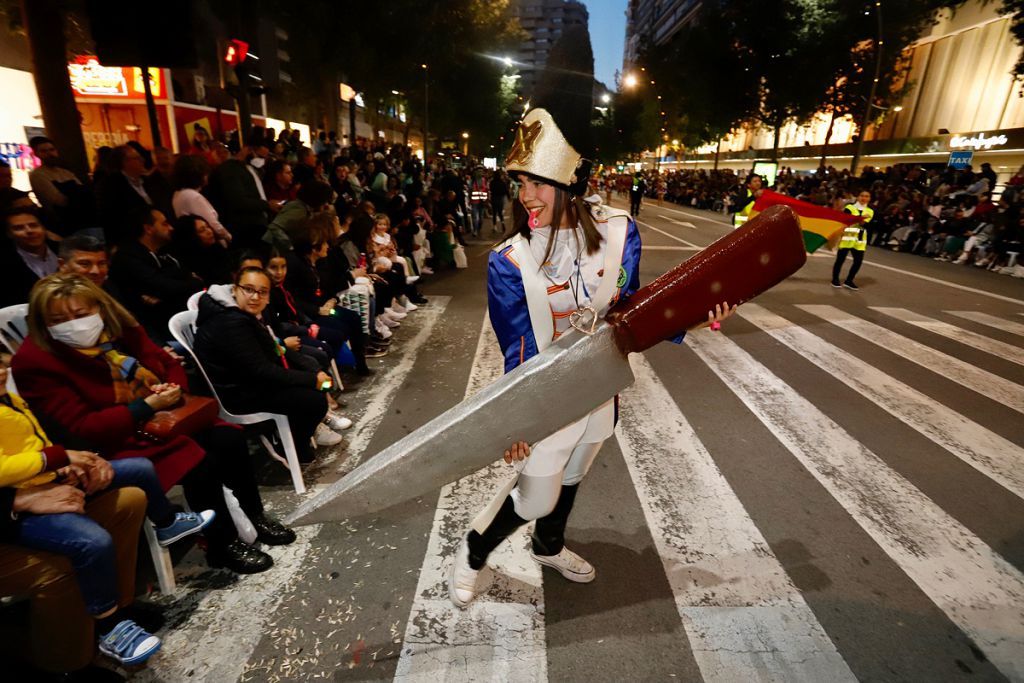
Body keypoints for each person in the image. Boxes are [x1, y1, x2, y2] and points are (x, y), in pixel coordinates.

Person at [448, 105, 735, 608]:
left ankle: (548, 545)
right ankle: (474, 548)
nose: (526, 195)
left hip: (599, 385)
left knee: (578, 469)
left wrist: (696, 314)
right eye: (520, 182)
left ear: (568, 183)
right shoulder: (508, 260)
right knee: (537, 494)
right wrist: (515, 420)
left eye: (538, 182)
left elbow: (632, 309)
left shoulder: (620, 233)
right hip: (547, 392)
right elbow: (517, 349)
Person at [12, 274, 290, 574]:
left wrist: (172, 388)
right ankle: (221, 544)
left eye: (81, 314)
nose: (73, 324)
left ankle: (255, 514)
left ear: (99, 308)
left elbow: (165, 362)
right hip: (107, 441)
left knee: (230, 440)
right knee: (200, 464)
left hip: (157, 418)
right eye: (58, 319)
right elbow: (81, 427)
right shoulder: (35, 360)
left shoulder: (118, 327)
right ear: (42, 323)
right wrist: (145, 406)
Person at [0, 358, 213, 667]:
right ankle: (91, 643)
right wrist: (19, 500)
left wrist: (83, 460)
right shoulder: (33, 368)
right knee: (85, 545)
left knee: (131, 493)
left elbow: (52, 431)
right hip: (15, 512)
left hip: (43, 480)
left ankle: (122, 604)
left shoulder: (11, 398)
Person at [193, 267, 333, 462]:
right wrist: (312, 379)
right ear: (235, 289)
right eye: (248, 289)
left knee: (315, 367)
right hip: (238, 394)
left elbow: (276, 350)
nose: (255, 297)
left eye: (262, 292)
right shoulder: (230, 322)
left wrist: (314, 372)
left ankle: (292, 436)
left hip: (251, 381)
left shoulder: (243, 314)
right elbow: (260, 370)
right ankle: (292, 445)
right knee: (315, 400)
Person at [109, 207, 204, 344]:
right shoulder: (128, 256)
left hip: (178, 314)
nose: (171, 228)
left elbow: (177, 279)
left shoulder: (165, 251)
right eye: (164, 224)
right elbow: (165, 286)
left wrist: (168, 289)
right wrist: (193, 283)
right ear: (148, 229)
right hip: (156, 329)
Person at [205, 141, 271, 249]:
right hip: (245, 229)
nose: (255, 156)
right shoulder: (229, 170)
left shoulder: (245, 167)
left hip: (256, 225)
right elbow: (239, 201)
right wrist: (266, 205)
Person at [27, 136, 94, 235]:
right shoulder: (38, 175)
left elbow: (84, 192)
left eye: (51, 150)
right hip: (63, 224)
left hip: (83, 220)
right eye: (44, 151)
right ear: (36, 154)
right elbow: (59, 201)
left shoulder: (65, 172)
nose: (49, 154)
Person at [96, 145, 156, 246]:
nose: (142, 160)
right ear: (124, 162)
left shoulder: (147, 181)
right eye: (136, 158)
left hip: (152, 237)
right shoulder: (112, 185)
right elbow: (111, 217)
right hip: (130, 241)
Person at [1, 205, 59, 306]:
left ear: (43, 228)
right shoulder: (5, 263)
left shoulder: (63, 250)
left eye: (33, 225)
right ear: (9, 234)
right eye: (19, 228)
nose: (29, 231)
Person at [170, 154, 232, 245]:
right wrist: (228, 236)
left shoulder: (177, 194)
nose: (207, 176)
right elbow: (212, 224)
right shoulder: (193, 196)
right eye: (205, 173)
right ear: (198, 175)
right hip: (208, 243)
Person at [170, 214, 231, 285]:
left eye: (208, 226)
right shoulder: (190, 263)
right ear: (191, 236)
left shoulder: (217, 249)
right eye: (202, 230)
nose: (209, 231)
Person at [832, 189, 873, 290]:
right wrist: (861, 217)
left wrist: (859, 218)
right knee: (840, 260)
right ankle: (835, 279)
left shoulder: (870, 211)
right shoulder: (849, 207)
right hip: (847, 237)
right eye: (862, 195)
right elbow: (846, 219)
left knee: (858, 261)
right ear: (858, 197)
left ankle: (849, 281)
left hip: (859, 240)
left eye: (867, 196)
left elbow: (864, 224)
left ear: (869, 199)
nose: (864, 198)